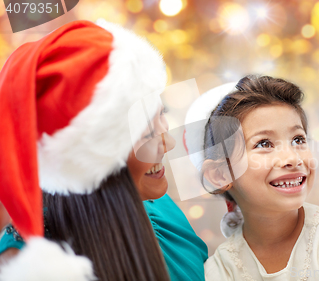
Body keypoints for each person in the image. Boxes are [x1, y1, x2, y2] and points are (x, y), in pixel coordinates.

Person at [0, 20, 208, 281]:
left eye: (161, 114)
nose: (169, 143)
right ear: (91, 162)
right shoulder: (30, 268)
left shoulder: (161, 210)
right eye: (147, 133)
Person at [201, 75, 319, 280]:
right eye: (263, 143)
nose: (292, 158)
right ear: (220, 175)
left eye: (298, 139)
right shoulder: (219, 271)